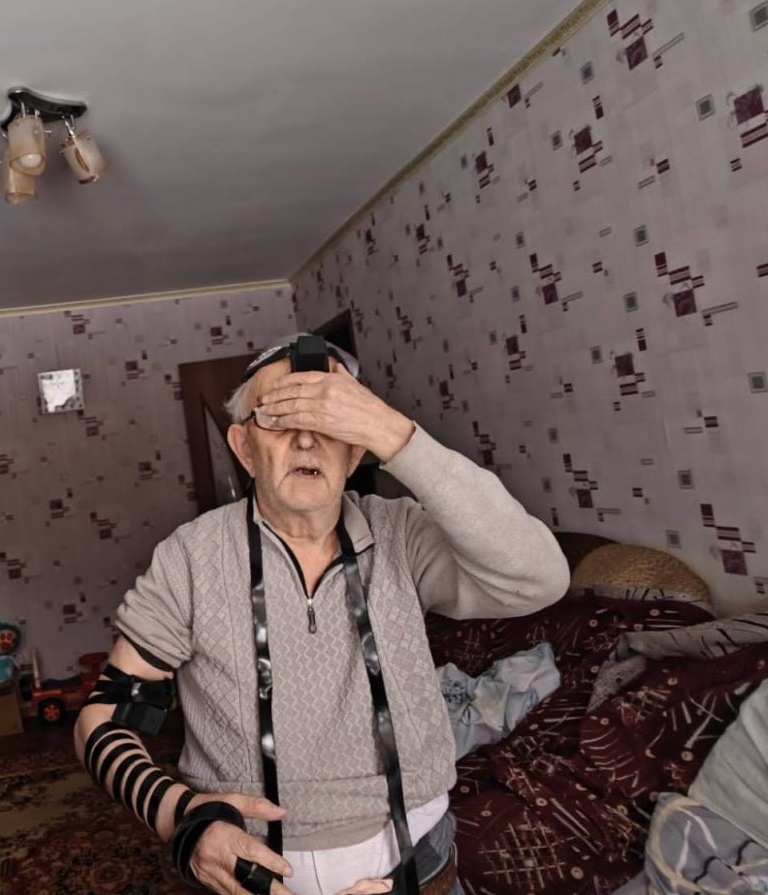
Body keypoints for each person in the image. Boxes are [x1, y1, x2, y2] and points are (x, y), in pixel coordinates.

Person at [74, 334, 570, 895]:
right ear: (244, 448)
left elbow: (541, 579)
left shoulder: (403, 535)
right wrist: (181, 817)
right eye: (279, 416)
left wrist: (395, 434)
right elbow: (103, 719)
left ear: (355, 451)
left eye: (330, 418)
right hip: (250, 877)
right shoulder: (190, 558)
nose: (307, 438)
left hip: (424, 865)